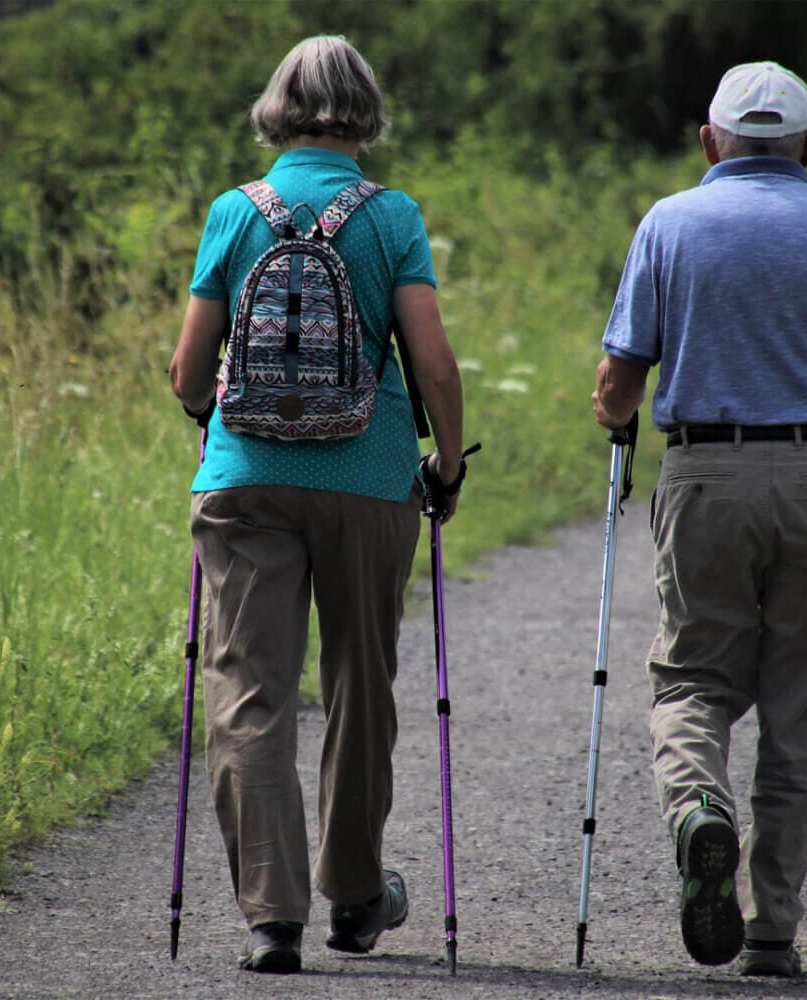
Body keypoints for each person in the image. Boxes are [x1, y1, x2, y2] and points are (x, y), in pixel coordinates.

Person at [592, 61, 807, 977]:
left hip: (706, 475)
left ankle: (701, 807)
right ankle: (772, 925)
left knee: (692, 679)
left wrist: (613, 413)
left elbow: (619, 384)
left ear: (711, 141)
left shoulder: (670, 222)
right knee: (801, 707)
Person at [169, 35, 464, 974]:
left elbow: (187, 370)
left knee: (251, 691)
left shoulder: (232, 210)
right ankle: (356, 897)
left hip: (245, 480)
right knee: (358, 686)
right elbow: (431, 361)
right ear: (365, 110)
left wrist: (219, 425)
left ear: (278, 109)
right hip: (369, 477)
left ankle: (272, 918)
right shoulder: (392, 217)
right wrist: (445, 466)